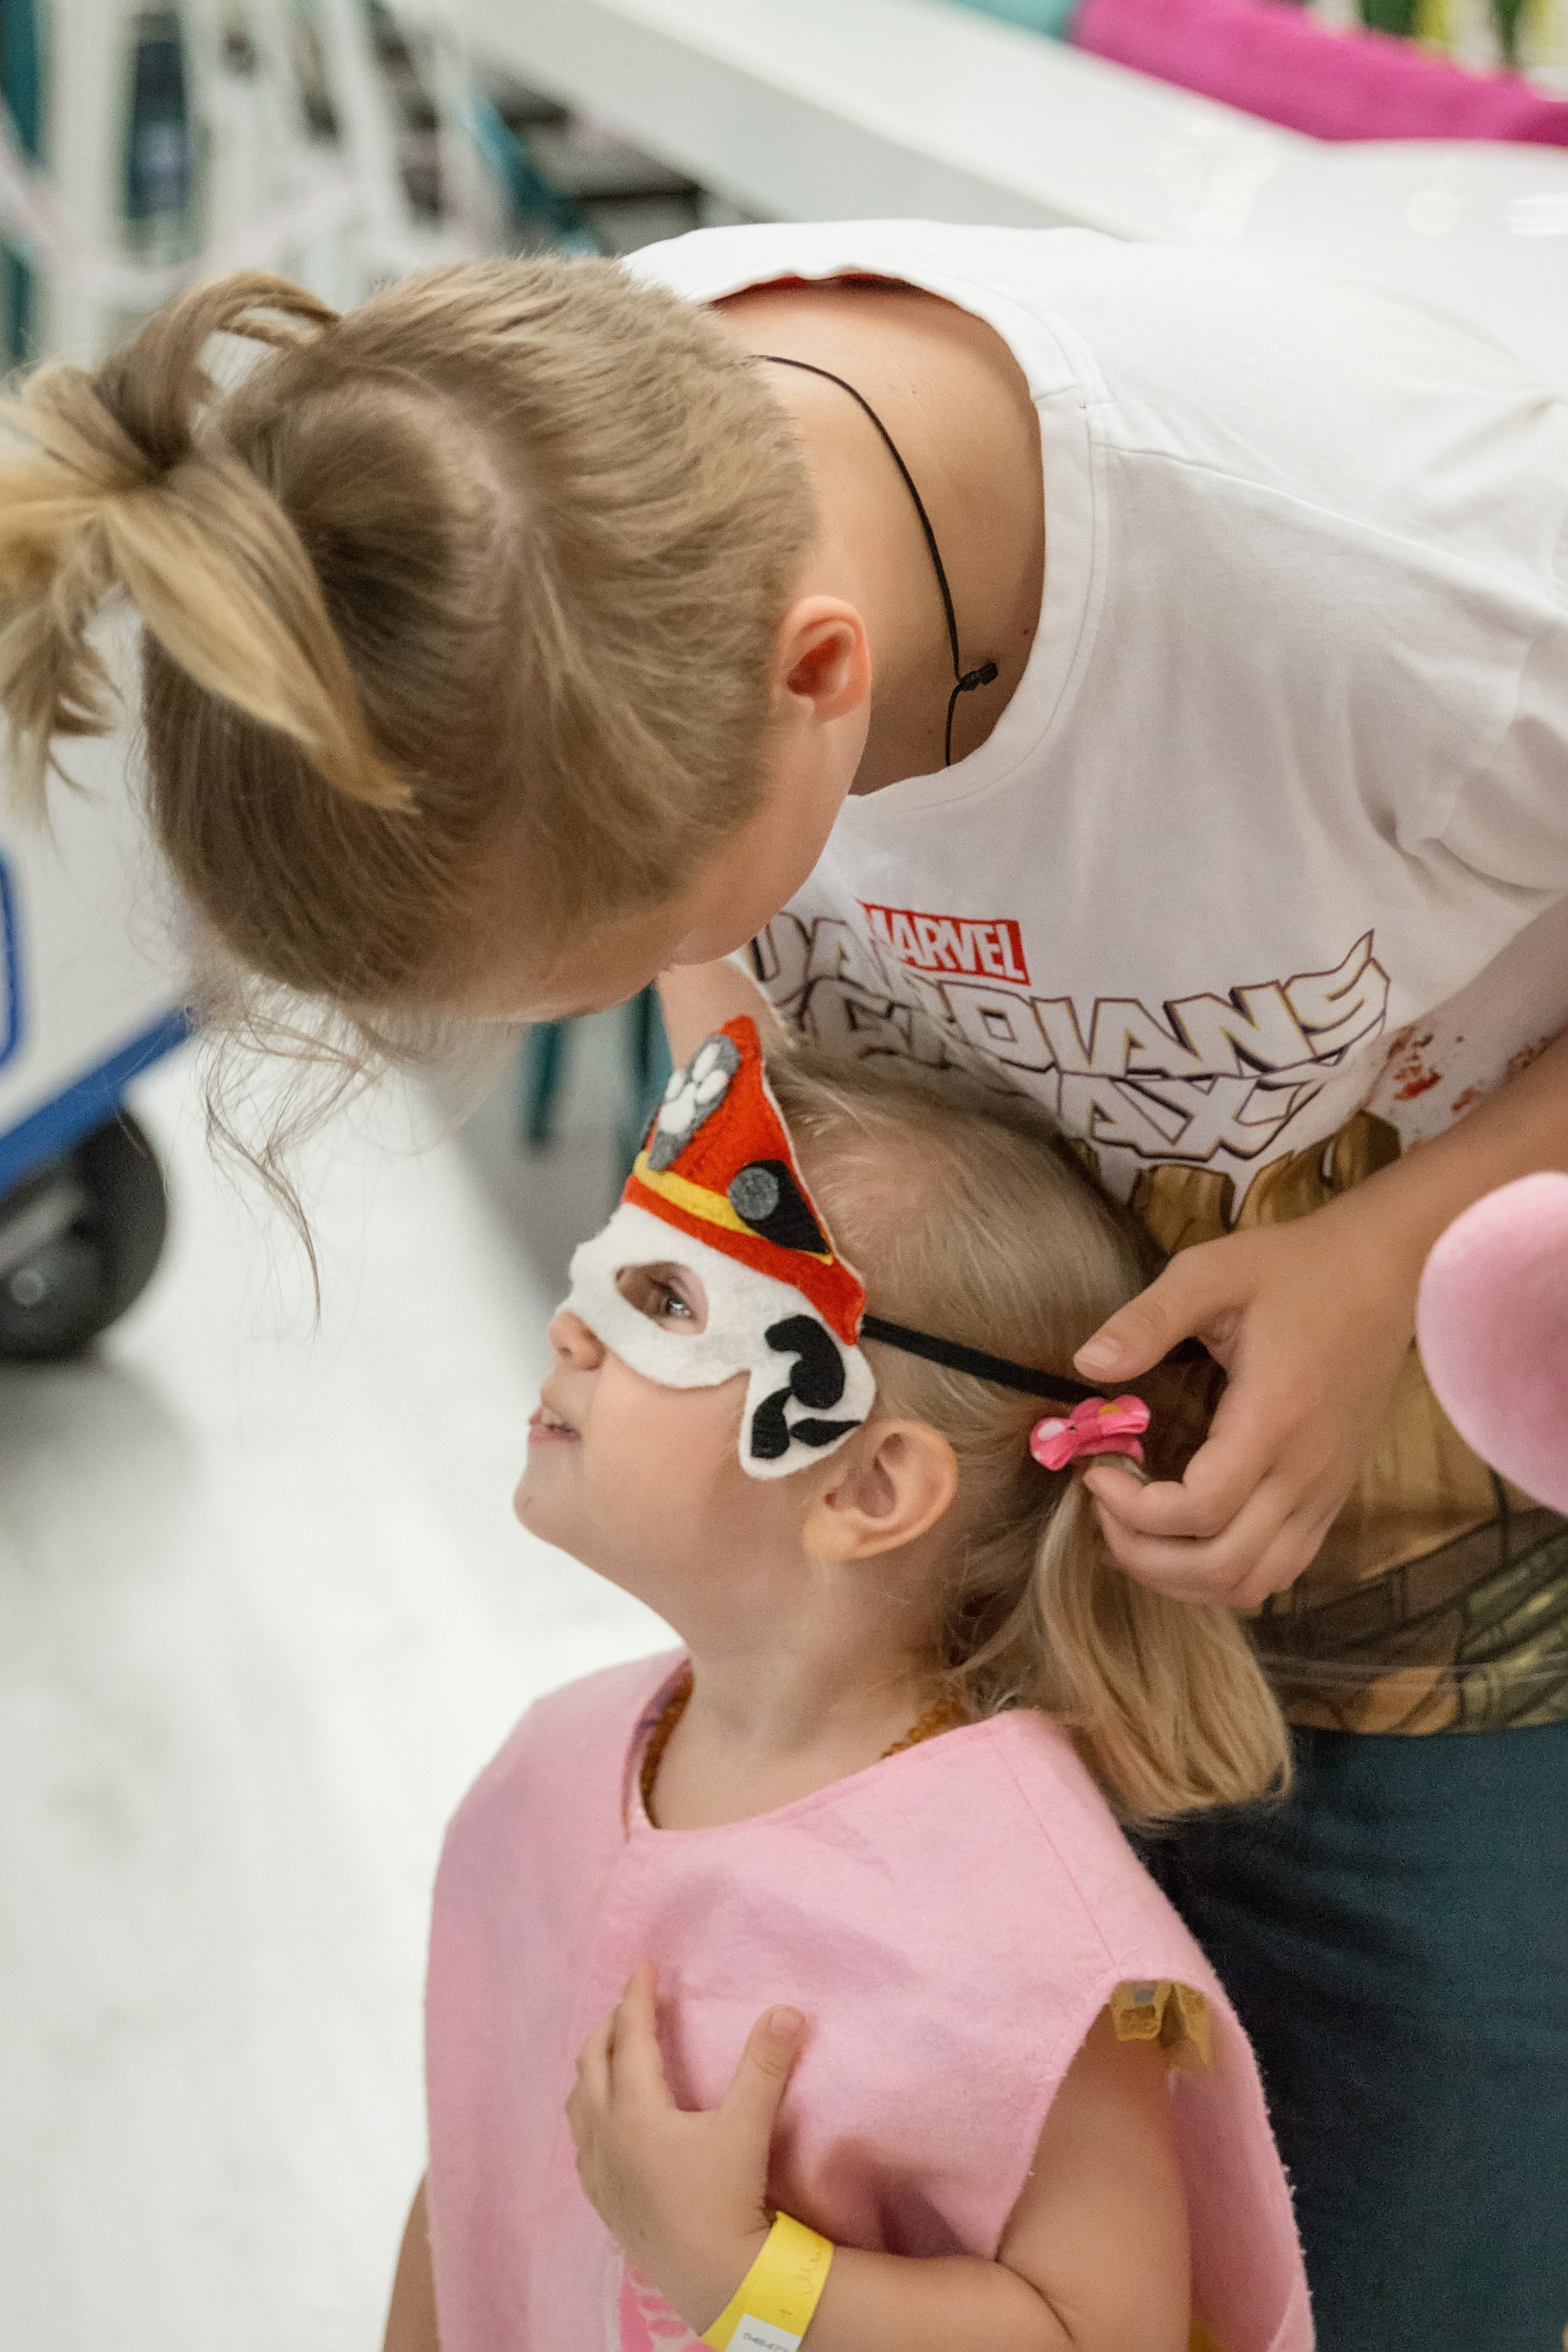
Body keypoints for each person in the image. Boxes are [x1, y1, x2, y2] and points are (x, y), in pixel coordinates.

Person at [2, 223, 1565, 2340]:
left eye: (634, 933)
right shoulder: (546, 502)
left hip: (1460, 1493)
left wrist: (1391, 1250)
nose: (689, 1160)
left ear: (819, 678)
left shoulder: (1406, 585)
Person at [386, 1017, 1309, 2352]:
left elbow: (1105, 2333)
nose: (570, 1324)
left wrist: (735, 2275)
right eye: (611, 1272)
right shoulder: (555, 1766)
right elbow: (476, 2184)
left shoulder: (1024, 1930)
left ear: (867, 1486)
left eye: (665, 1306)